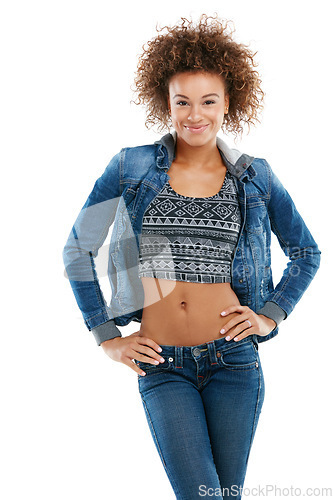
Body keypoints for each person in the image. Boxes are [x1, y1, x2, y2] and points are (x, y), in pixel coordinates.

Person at [63, 14, 321, 500]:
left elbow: (306, 252)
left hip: (233, 360)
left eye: (208, 101)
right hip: (160, 363)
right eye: (182, 101)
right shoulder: (130, 166)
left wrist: (269, 316)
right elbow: (79, 247)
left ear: (229, 104)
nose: (194, 114)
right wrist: (105, 337)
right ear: (167, 102)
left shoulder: (255, 177)